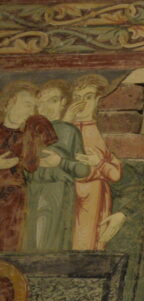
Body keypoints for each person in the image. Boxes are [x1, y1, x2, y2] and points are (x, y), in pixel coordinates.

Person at [24, 79, 89, 252]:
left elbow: (83, 169)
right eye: (41, 102)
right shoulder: (31, 131)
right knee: (30, 245)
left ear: (62, 103)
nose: (45, 107)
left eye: (52, 100)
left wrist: (60, 162)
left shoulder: (69, 131)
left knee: (51, 246)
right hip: (32, 191)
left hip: (58, 191)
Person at [0, 81, 58, 252]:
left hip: (14, 199)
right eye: (27, 105)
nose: (30, 111)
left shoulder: (26, 135)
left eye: (33, 108)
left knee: (9, 245)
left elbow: (31, 166)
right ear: (10, 102)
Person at [68, 74, 124, 250]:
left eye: (88, 97)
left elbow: (115, 174)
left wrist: (98, 163)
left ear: (99, 100)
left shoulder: (104, 132)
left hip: (94, 195)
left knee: (88, 245)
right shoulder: (65, 128)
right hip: (66, 194)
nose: (82, 104)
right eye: (77, 98)